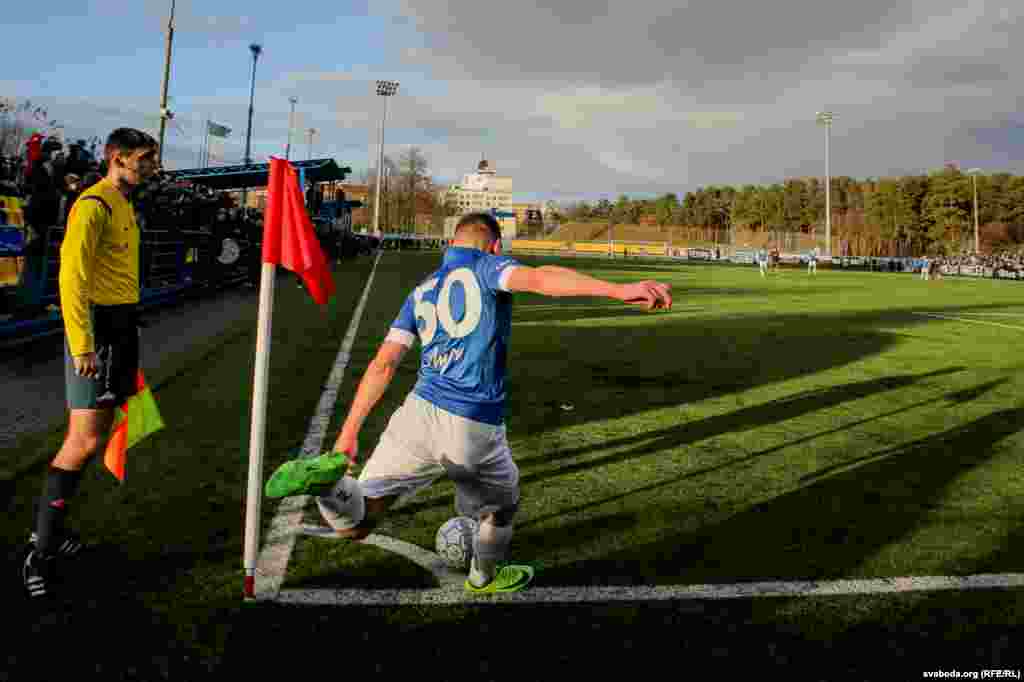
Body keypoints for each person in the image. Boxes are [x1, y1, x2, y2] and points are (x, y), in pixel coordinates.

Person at [314, 212, 672, 594]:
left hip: (416, 414)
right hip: (472, 422)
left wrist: (348, 433)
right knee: (502, 507)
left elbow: (383, 364)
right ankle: (483, 577)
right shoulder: (487, 267)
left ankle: (326, 492)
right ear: (496, 246)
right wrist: (617, 290)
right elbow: (541, 279)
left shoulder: (421, 289)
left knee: (359, 520)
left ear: (451, 243)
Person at [22, 128, 159, 599]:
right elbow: (72, 279)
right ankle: (40, 550)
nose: (151, 167)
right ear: (117, 158)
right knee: (82, 441)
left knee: (95, 436)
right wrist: (83, 346)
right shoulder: (93, 204)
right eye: (144, 159)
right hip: (98, 333)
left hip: (119, 327)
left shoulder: (124, 204)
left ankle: (54, 532)